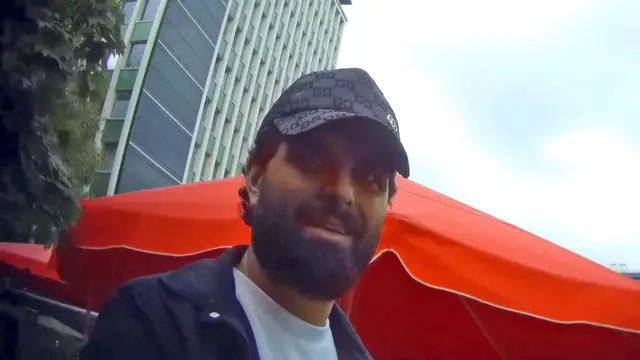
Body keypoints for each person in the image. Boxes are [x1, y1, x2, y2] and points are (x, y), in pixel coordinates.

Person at [79, 68, 410, 360]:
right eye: (313, 161)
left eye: (370, 178)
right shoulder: (152, 320)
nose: (342, 192)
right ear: (254, 178)